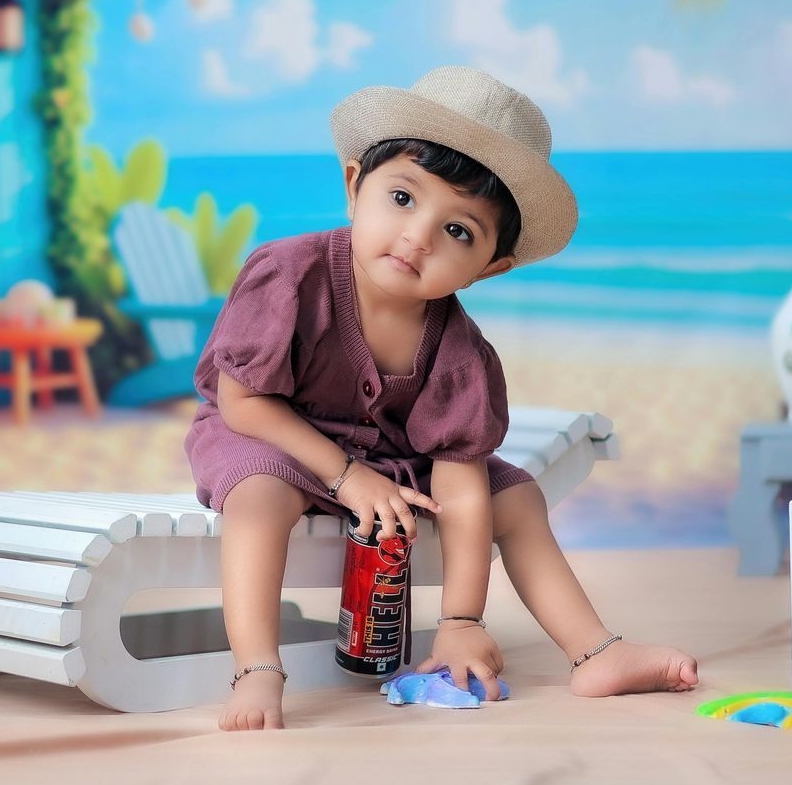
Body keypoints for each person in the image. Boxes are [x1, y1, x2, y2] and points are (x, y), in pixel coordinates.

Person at [185, 66, 699, 731]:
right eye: (403, 198)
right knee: (260, 494)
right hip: (268, 435)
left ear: (490, 267)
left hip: (387, 459)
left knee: (514, 494)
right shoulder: (289, 274)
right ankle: (257, 667)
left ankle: (597, 650)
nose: (419, 235)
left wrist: (461, 619)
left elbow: (458, 485)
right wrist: (346, 476)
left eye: (459, 232)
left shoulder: (460, 352)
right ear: (353, 186)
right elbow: (244, 402)